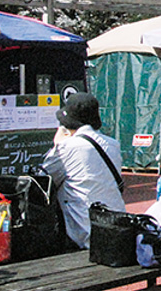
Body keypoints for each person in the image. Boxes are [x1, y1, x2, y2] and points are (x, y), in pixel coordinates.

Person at [41, 93, 126, 249]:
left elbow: (43, 180)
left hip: (82, 235)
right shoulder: (113, 145)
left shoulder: (66, 147)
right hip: (118, 231)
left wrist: (56, 145)